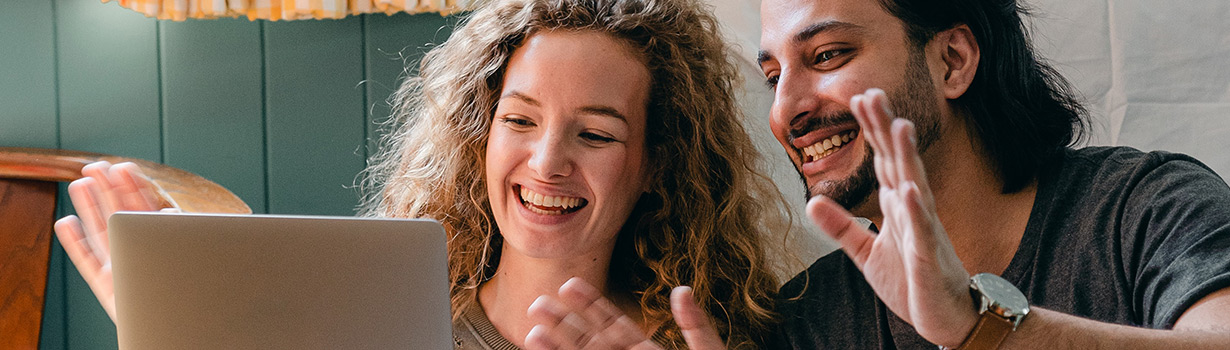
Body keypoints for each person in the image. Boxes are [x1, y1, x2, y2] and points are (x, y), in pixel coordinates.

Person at [528, 0, 1230, 349]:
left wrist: (982, 330)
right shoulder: (812, 322)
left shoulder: (1141, 209)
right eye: (774, 74)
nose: (788, 109)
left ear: (952, 59)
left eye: (828, 55)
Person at [51, 0, 793, 348]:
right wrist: (177, 336)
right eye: (519, 120)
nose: (546, 162)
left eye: (595, 133)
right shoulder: (377, 324)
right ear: (479, 135)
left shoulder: (711, 342)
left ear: (656, 164)